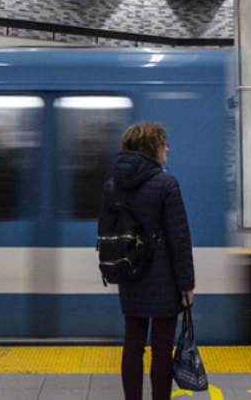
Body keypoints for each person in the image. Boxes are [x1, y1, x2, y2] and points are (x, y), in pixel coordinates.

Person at [103, 122, 194, 400]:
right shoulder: (166, 183)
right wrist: (187, 284)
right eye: (163, 143)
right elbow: (179, 238)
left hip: (130, 273)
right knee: (162, 347)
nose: (167, 148)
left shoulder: (112, 185)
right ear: (151, 147)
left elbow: (109, 233)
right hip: (164, 278)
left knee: (132, 344)